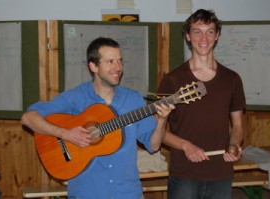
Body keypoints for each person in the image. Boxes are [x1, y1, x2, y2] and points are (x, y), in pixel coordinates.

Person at [21, 37, 174, 199]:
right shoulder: (77, 97)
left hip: (127, 193)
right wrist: (64, 133)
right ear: (93, 66)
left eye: (120, 61)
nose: (118, 67)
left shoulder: (133, 100)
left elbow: (154, 145)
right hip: (87, 193)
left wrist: (162, 120)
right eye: (110, 62)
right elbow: (28, 118)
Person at [157, 9, 246, 199]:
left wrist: (235, 146)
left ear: (217, 35)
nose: (203, 38)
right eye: (197, 31)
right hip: (184, 173)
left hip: (221, 171)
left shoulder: (232, 79)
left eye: (210, 31)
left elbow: (238, 126)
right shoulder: (172, 80)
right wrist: (186, 146)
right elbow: (157, 131)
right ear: (188, 36)